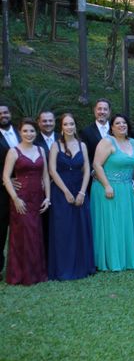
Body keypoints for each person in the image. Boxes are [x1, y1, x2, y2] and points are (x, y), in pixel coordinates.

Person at [47, 113, 95, 280]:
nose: (69, 127)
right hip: (61, 191)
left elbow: (87, 169)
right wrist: (66, 192)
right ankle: (63, 267)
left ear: (75, 126)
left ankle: (83, 265)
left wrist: (82, 192)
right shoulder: (55, 146)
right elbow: (52, 170)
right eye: (66, 124)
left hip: (80, 188)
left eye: (72, 124)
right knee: (63, 230)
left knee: (80, 228)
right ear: (62, 127)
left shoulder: (82, 145)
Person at [91, 114, 134, 272]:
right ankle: (111, 260)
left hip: (127, 189)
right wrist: (106, 185)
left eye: (124, 123)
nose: (121, 125)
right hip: (108, 189)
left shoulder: (132, 142)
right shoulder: (107, 141)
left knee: (126, 223)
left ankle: (127, 259)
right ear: (111, 127)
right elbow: (97, 165)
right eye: (117, 123)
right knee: (111, 225)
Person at [2, 118, 50, 285]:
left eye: (32, 131)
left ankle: (36, 273)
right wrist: (15, 198)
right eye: (25, 131)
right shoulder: (13, 151)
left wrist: (48, 197)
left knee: (36, 234)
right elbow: (6, 177)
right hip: (21, 198)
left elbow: (45, 175)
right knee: (22, 235)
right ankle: (20, 275)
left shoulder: (40, 150)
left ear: (35, 133)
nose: (29, 134)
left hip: (37, 197)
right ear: (20, 132)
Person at [34, 110, 58, 258]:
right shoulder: (32, 140)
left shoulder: (63, 139)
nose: (48, 123)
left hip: (62, 187)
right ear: (39, 122)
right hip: (40, 188)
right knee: (43, 224)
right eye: (44, 121)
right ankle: (44, 257)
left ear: (55, 122)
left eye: (50, 120)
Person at [0, 104, 20, 273]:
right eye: (0, 114)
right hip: (1, 192)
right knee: (1, 230)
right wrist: (5, 180)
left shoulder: (22, 133)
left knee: (22, 229)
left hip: (24, 190)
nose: (3, 115)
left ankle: (21, 264)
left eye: (5, 112)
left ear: (10, 113)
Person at [80, 98, 112, 168]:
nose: (102, 112)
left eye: (105, 109)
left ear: (109, 112)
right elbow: (85, 157)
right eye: (99, 109)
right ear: (95, 110)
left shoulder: (116, 129)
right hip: (95, 174)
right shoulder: (86, 132)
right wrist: (93, 171)